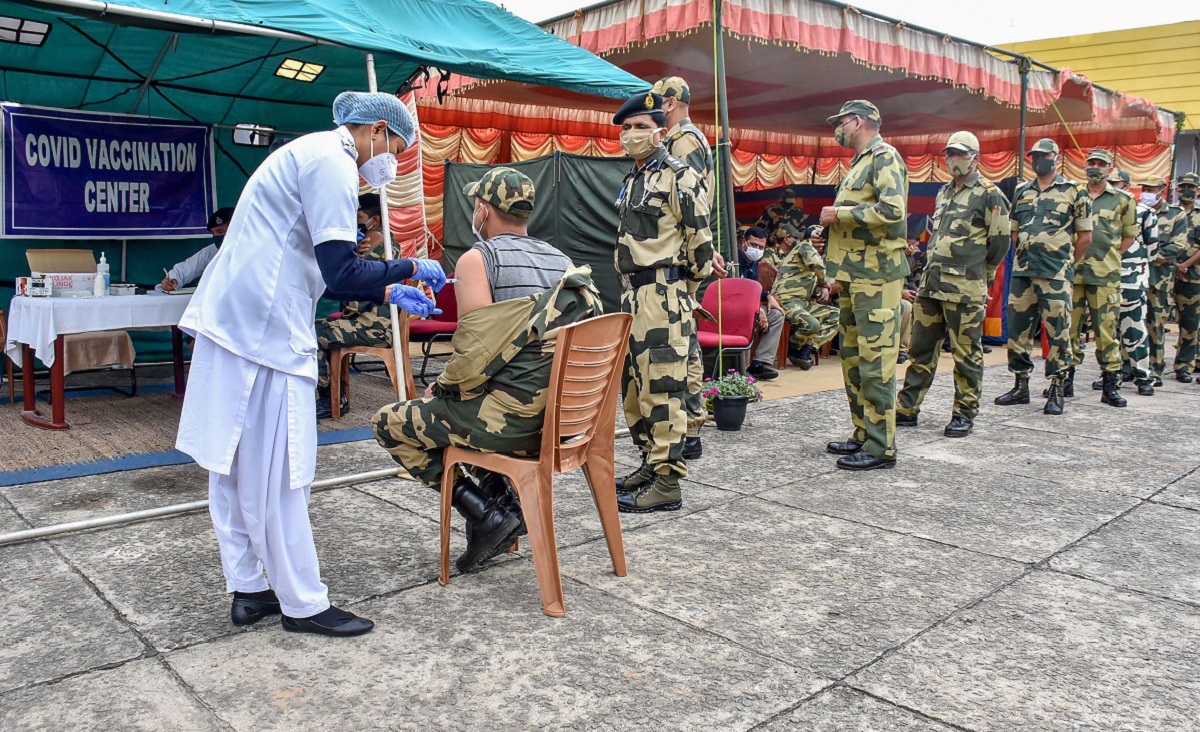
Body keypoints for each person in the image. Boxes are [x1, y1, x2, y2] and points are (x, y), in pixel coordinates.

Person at [175, 91, 445, 638]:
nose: (391, 159)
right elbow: (341, 269)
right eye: (396, 144)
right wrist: (408, 266)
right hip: (263, 335)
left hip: (234, 322)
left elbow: (308, 262)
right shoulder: (333, 161)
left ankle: (249, 588)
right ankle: (302, 603)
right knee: (280, 470)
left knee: (228, 465)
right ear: (373, 129)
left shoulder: (308, 154)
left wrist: (389, 292)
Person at [373, 167, 586, 574]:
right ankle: (503, 502)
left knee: (392, 422)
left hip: (513, 423)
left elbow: (471, 355)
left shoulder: (479, 258)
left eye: (476, 205)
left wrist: (443, 387)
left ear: (483, 211)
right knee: (455, 412)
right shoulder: (564, 263)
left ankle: (487, 514)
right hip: (563, 422)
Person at [610, 91, 713, 512]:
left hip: (663, 294)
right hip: (635, 293)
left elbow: (702, 247)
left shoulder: (678, 175)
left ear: (661, 133)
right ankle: (651, 463)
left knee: (665, 387)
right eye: (626, 129)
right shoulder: (635, 178)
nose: (632, 135)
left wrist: (679, 291)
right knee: (636, 387)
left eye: (641, 128)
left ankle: (668, 482)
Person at [895, 131, 1010, 437]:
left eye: (960, 154)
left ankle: (964, 413)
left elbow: (999, 243)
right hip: (931, 285)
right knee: (921, 350)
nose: (953, 159)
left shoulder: (989, 194)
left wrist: (981, 274)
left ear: (975, 158)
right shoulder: (943, 191)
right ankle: (907, 408)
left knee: (966, 354)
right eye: (950, 154)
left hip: (965, 288)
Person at [818, 100, 908, 471]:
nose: (837, 129)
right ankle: (863, 434)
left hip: (877, 277)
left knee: (876, 362)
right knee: (853, 360)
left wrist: (840, 214)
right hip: (854, 276)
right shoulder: (860, 163)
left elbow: (893, 210)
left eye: (841, 122)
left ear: (857, 121)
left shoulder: (885, 157)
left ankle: (881, 446)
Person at [995, 138, 1092, 416]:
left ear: (1055, 157)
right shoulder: (1023, 191)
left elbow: (1085, 237)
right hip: (1024, 272)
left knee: (1058, 332)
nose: (1037, 160)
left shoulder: (1074, 191)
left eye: (1043, 155)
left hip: (1055, 274)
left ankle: (1057, 388)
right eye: (1034, 156)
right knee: (1018, 331)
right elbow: (1014, 230)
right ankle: (1020, 385)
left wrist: (1064, 262)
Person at [652, 76, 715, 460]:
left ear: (672, 102)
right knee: (680, 343)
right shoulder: (681, 138)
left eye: (658, 102)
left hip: (681, 259)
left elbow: (691, 203)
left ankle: (690, 427)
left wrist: (697, 255)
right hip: (681, 254)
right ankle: (687, 425)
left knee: (684, 346)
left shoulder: (684, 140)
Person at [1065, 149, 1135, 408]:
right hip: (1074, 274)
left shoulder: (1123, 199)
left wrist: (1110, 257)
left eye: (1100, 164)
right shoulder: (1074, 195)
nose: (1095, 167)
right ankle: (1065, 381)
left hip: (1105, 276)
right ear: (1085, 166)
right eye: (1091, 163)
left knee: (1106, 332)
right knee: (1069, 330)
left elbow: (1129, 236)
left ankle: (1110, 386)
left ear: (1110, 168)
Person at [314, 193, 390, 419]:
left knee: (311, 334)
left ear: (374, 220)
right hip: (364, 320)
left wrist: (352, 265)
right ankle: (332, 392)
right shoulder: (370, 243)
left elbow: (360, 299)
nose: (353, 220)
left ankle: (329, 397)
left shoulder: (378, 246)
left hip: (374, 325)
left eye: (359, 215)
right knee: (318, 327)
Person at [1093, 175, 1158, 396]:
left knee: (1135, 328)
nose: (1112, 186)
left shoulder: (1144, 213)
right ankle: (1114, 375)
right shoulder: (1096, 208)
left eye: (1117, 183)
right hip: (1105, 277)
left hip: (1131, 278)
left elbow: (1152, 250)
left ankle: (1143, 376)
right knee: (1108, 330)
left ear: (1126, 186)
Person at [772, 224, 838, 370]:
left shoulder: (820, 255)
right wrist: (824, 284)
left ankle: (806, 349)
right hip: (785, 299)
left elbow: (827, 276)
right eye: (820, 236)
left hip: (803, 302)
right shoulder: (805, 246)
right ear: (812, 237)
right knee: (812, 324)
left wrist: (824, 288)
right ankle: (793, 347)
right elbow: (819, 267)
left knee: (837, 315)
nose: (824, 240)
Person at [1145, 175, 1185, 385]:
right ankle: (1128, 367)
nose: (1148, 192)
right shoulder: (1137, 211)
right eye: (1145, 188)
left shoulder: (1175, 215)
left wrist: (1148, 254)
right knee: (1128, 325)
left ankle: (1155, 368)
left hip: (1159, 280)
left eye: (1152, 189)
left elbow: (1176, 247)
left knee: (1155, 324)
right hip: (1135, 278)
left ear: (1162, 190)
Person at [736, 226, 783, 380]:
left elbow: (753, 288)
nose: (756, 249)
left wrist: (768, 295)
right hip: (734, 306)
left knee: (776, 314)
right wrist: (756, 309)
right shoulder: (734, 259)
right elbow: (737, 292)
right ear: (744, 242)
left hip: (749, 305)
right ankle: (740, 368)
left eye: (760, 247)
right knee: (751, 317)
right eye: (753, 245)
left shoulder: (754, 262)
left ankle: (759, 363)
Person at [160, 207, 234, 292]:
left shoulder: (251, 251)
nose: (216, 236)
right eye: (213, 233)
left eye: (220, 231)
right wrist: (171, 281)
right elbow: (186, 269)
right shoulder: (212, 251)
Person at [1170, 172, 1200, 381]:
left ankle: (1184, 365)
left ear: (1198, 191)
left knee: (1190, 322)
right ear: (1176, 189)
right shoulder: (1169, 213)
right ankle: (1154, 364)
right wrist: (1173, 265)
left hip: (1192, 276)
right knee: (1157, 319)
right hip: (1166, 276)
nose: (1186, 191)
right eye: (1183, 187)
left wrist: (1185, 265)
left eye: (1191, 187)